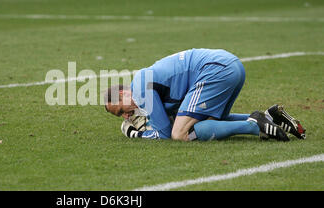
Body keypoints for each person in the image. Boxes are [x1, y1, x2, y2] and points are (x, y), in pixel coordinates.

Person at [104, 48, 306, 141]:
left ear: (123, 93)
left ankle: (254, 127)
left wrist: (135, 133)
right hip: (231, 64)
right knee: (213, 119)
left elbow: (165, 133)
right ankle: (270, 116)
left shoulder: (140, 89)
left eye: (121, 110)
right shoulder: (143, 82)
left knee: (179, 134)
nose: (125, 116)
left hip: (214, 70)